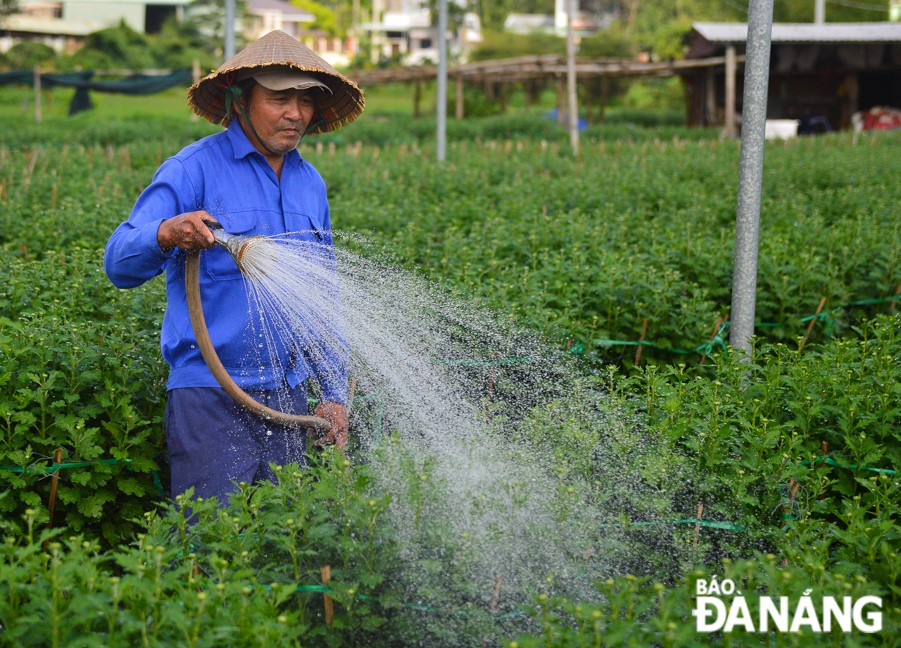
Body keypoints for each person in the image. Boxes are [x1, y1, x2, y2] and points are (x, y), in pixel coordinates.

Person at [104, 30, 365, 505]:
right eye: (279, 97)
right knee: (214, 549)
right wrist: (165, 232)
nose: (296, 113)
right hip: (210, 396)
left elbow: (321, 296)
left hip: (286, 395)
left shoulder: (311, 184)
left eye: (307, 100)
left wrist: (333, 391)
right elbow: (118, 261)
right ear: (239, 99)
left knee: (285, 548)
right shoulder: (192, 170)